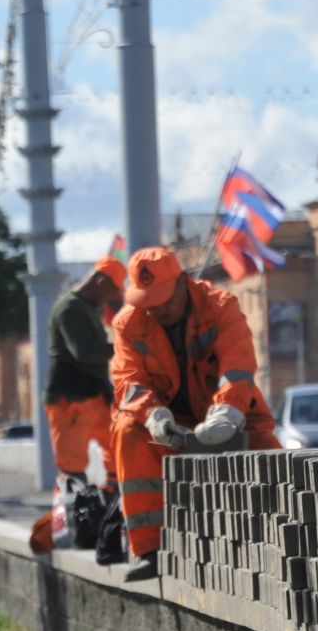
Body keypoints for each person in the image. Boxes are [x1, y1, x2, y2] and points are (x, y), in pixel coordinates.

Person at [109, 246, 280, 581]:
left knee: (270, 456)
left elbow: (238, 366)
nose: (158, 309)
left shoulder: (220, 307)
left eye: (163, 299)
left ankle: (283, 544)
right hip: (169, 424)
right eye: (149, 302)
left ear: (183, 282)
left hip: (228, 413)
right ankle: (150, 550)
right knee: (127, 431)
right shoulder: (128, 324)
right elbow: (128, 381)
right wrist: (153, 415)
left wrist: (227, 413)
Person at [45, 257, 125, 493]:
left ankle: (112, 506)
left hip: (93, 397)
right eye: (111, 291)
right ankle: (71, 522)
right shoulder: (69, 308)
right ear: (100, 281)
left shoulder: (89, 307)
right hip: (69, 401)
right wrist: (123, 347)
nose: (110, 299)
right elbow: (85, 352)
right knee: (73, 470)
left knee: (117, 452)